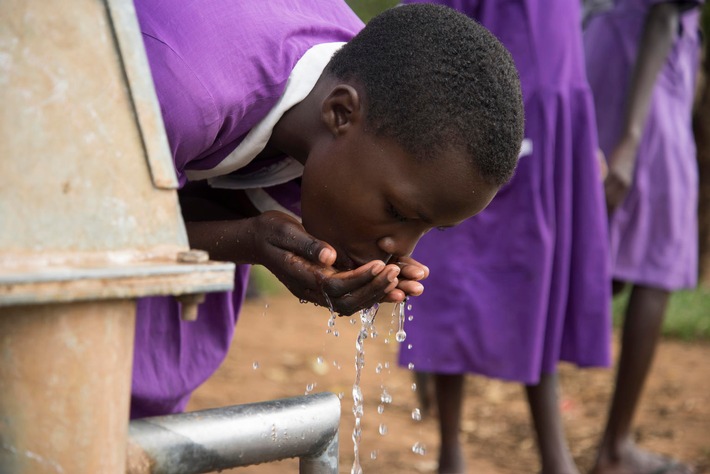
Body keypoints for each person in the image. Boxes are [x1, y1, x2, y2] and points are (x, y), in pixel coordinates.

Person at [128, 1, 525, 419]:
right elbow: (74, 226)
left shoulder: (383, 85)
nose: (398, 247)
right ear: (340, 113)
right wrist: (247, 239)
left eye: (431, 229)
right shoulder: (179, 96)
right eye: (397, 210)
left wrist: (252, 238)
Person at [397, 1, 612, 473]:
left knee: (539, 269)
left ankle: (553, 454)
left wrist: (579, 139)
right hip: (482, 102)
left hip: (555, 104)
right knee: (454, 262)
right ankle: (450, 449)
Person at [584, 1, 704, 473]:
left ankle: (448, 366)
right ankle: (615, 447)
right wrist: (632, 139)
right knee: (659, 260)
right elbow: (664, 11)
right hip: (648, 82)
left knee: (605, 250)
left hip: (607, 59)